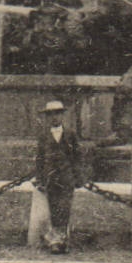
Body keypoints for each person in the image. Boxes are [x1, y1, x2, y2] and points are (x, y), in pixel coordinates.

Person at [34, 100, 82, 254]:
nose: (54, 117)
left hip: (66, 178)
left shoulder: (70, 134)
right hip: (51, 178)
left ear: (62, 116)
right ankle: (56, 241)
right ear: (47, 117)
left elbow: (77, 157)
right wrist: (40, 179)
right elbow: (40, 159)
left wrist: (78, 177)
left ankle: (61, 240)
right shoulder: (43, 136)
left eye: (57, 114)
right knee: (54, 209)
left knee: (65, 208)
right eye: (51, 114)